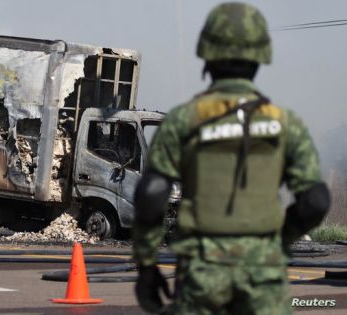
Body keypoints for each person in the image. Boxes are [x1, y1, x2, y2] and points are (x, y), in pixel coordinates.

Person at [132, 2, 330, 314]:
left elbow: (152, 194)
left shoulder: (184, 120)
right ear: (261, 55)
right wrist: (278, 241)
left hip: (201, 274)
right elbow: (315, 201)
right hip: (264, 278)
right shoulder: (285, 123)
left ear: (207, 53)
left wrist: (146, 265)